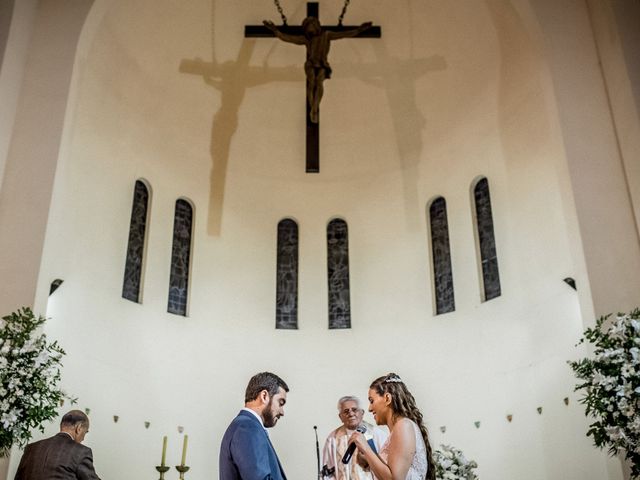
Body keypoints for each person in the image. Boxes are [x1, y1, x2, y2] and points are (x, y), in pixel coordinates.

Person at [263, 17, 373, 123]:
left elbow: (344, 34)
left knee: (319, 83)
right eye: (306, 27)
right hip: (310, 64)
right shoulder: (306, 39)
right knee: (311, 83)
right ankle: (313, 109)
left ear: (316, 26)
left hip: (322, 64)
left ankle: (314, 109)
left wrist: (359, 30)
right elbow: (288, 38)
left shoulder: (327, 35)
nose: (308, 29)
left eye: (310, 25)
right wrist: (275, 31)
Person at [348, 373, 435, 480]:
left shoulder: (404, 426)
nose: (369, 408)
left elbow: (395, 479)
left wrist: (366, 448)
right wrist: (367, 459)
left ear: (387, 398)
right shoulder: (399, 429)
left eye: (372, 401)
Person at [219, 371, 290, 480]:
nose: (282, 412)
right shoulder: (247, 427)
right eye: (280, 403)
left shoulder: (244, 425)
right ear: (264, 396)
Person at [14, 409, 101, 480]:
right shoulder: (81, 452)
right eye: (85, 433)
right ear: (78, 428)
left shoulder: (31, 448)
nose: (83, 439)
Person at [322, 395, 388, 480]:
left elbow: (386, 467)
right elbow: (327, 471)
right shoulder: (332, 439)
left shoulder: (377, 434)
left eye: (354, 410)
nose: (351, 414)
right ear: (340, 417)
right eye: (346, 411)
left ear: (362, 413)